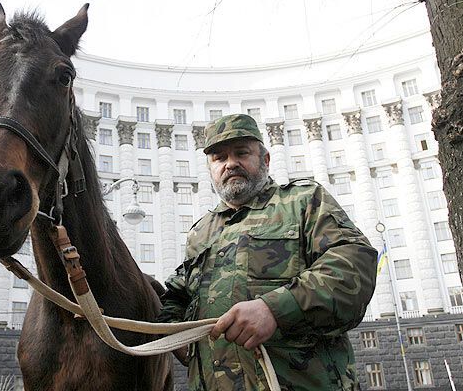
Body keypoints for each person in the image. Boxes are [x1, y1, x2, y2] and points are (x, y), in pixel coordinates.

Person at [158, 114, 378, 391]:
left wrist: (276, 309)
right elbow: (177, 296)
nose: (231, 163)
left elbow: (354, 265)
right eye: (219, 158)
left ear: (265, 160)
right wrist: (176, 337)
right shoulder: (200, 232)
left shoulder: (303, 201)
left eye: (241, 153)